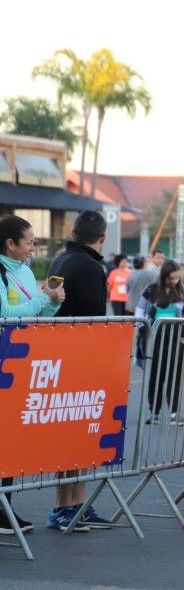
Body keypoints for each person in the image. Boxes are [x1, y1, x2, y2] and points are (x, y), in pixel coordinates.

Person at [48, 210, 114, 532]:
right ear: (102, 238)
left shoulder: (60, 260)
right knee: (79, 434)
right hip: (80, 360)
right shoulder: (91, 267)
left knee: (71, 436)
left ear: (73, 231)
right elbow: (96, 321)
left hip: (59, 356)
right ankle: (68, 508)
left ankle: (71, 505)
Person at [0, 215, 64, 535]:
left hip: (20, 364)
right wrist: (42, 298)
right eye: (29, 242)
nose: (33, 248)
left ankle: (5, 508)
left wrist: (52, 303)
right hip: (2, 364)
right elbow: (5, 315)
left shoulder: (25, 270)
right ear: (10, 243)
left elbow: (34, 313)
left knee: (9, 440)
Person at [136, 260, 184, 426]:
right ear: (164, 277)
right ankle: (154, 412)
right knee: (156, 375)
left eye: (177, 278)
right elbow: (140, 310)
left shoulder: (183, 291)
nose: (175, 281)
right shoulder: (151, 290)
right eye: (171, 278)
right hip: (155, 337)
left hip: (177, 338)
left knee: (175, 376)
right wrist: (143, 326)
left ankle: (174, 414)